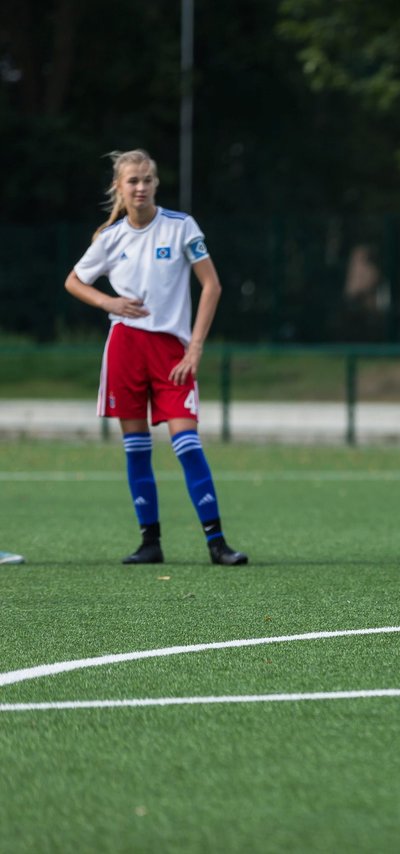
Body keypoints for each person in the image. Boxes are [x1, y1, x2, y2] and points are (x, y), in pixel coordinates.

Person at [64, 149, 248, 566]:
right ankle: (150, 543)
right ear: (119, 187)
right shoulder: (110, 239)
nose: (141, 187)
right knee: (136, 447)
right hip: (126, 348)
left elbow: (212, 287)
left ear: (156, 184)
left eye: (147, 179)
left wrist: (195, 348)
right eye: (133, 181)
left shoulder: (181, 227)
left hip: (172, 352)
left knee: (187, 444)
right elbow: (73, 281)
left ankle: (217, 543)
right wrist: (109, 302)